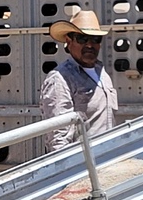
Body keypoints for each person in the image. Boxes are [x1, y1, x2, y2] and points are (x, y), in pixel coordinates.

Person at [40, 9, 119, 152]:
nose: (90, 45)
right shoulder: (60, 79)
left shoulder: (102, 73)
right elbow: (58, 139)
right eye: (82, 39)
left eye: (95, 39)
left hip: (106, 159)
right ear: (69, 41)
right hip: (83, 165)